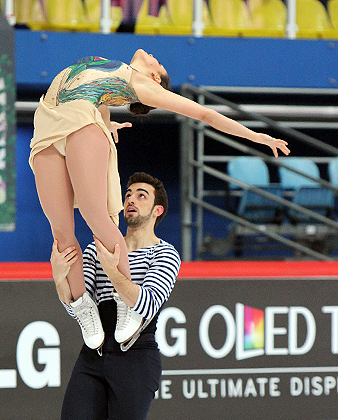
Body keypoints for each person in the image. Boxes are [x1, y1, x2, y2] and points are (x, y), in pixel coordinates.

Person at [29, 50, 290, 351]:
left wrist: (256, 137)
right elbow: (95, 94)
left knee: (95, 216)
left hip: (80, 127)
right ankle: (83, 310)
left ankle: (126, 302)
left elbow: (204, 114)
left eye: (160, 65)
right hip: (47, 122)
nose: (154, 56)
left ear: (156, 79)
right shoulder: (118, 76)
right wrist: (107, 122)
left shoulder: (144, 86)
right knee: (60, 231)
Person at [32, 171, 181, 420]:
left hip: (137, 352)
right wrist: (62, 282)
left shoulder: (166, 254)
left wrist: (118, 269)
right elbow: (87, 309)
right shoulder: (98, 250)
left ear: (157, 210)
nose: (131, 199)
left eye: (141, 195)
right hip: (95, 353)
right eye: (128, 193)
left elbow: (145, 303)